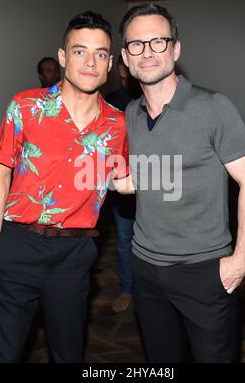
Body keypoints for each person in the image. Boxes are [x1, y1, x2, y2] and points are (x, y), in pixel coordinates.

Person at [118, 3, 245, 362]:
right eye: (136, 44)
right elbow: (143, 179)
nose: (147, 52)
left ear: (176, 49)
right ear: (125, 56)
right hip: (145, 267)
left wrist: (241, 260)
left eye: (158, 42)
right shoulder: (131, 114)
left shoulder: (214, 107)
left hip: (204, 270)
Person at [0, 11, 129, 363]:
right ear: (63, 57)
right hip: (17, 245)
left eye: (100, 53)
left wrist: (185, 168)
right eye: (80, 51)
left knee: (67, 353)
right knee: (2, 355)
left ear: (110, 62)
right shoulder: (24, 107)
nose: (90, 62)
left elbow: (123, 181)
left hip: (74, 255)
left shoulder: (117, 124)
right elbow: (0, 173)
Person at [105, 57, 140, 313]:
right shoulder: (109, 101)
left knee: (156, 242)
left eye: (129, 76)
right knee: (124, 241)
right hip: (121, 186)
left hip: (154, 184)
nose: (126, 81)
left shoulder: (154, 99)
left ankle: (155, 292)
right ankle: (127, 289)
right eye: (122, 76)